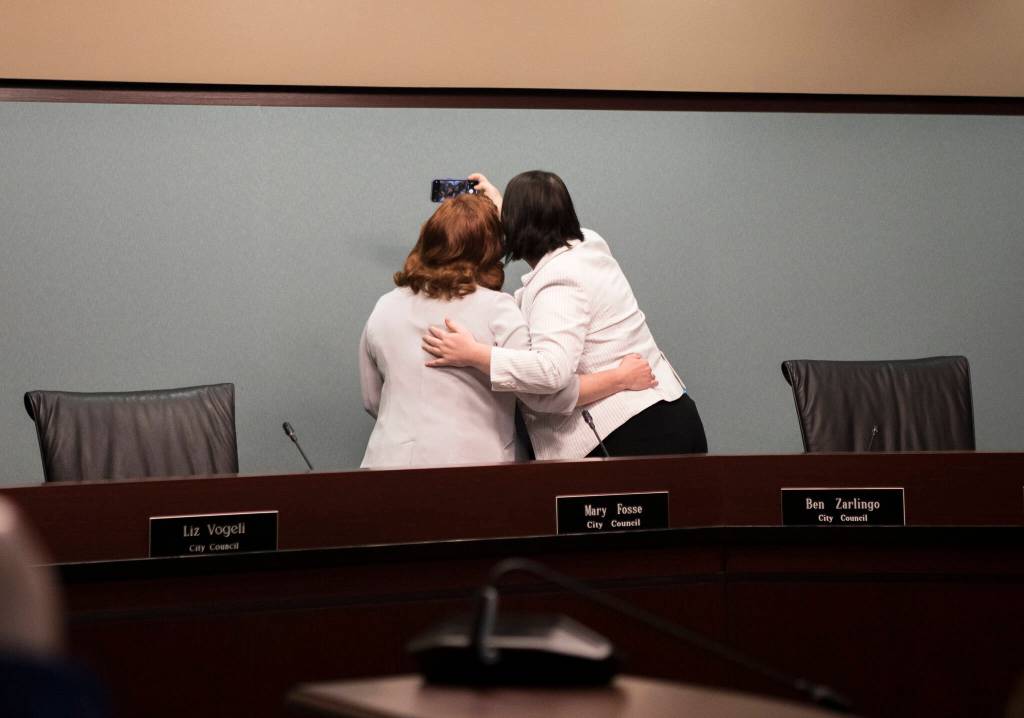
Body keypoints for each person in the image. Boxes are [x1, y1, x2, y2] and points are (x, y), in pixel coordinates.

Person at [422, 171, 708, 459]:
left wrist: (474, 354)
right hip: (672, 413)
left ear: (515, 225)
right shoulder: (590, 244)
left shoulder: (558, 282)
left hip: (631, 434)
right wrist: (500, 202)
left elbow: (551, 373)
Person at [359, 193, 658, 468]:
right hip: (474, 470)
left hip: (386, 468)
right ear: (491, 250)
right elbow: (545, 395)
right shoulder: (498, 309)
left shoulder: (384, 307)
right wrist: (620, 378)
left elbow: (372, 399)